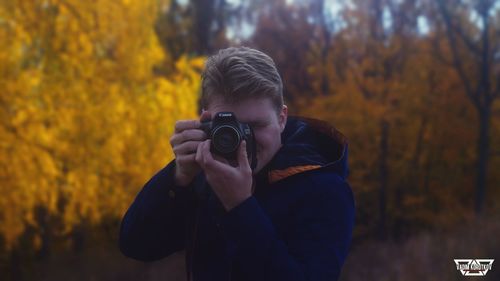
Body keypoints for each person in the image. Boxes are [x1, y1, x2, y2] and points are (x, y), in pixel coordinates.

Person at [119, 47, 355, 281]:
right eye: (231, 128)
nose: (244, 141)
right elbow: (137, 245)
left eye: (256, 126)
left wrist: (240, 207)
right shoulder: (206, 175)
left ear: (281, 118)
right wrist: (178, 177)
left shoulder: (324, 189)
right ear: (207, 120)